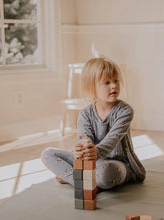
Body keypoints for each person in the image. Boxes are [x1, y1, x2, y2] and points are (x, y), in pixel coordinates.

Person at [41, 57, 146, 190]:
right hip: (91, 161)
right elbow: (85, 141)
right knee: (47, 154)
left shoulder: (125, 111)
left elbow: (111, 141)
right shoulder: (85, 113)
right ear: (92, 87)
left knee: (107, 173)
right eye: (107, 82)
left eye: (116, 81)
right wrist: (80, 150)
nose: (113, 85)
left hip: (117, 163)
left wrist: (94, 152)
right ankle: (83, 182)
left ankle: (76, 178)